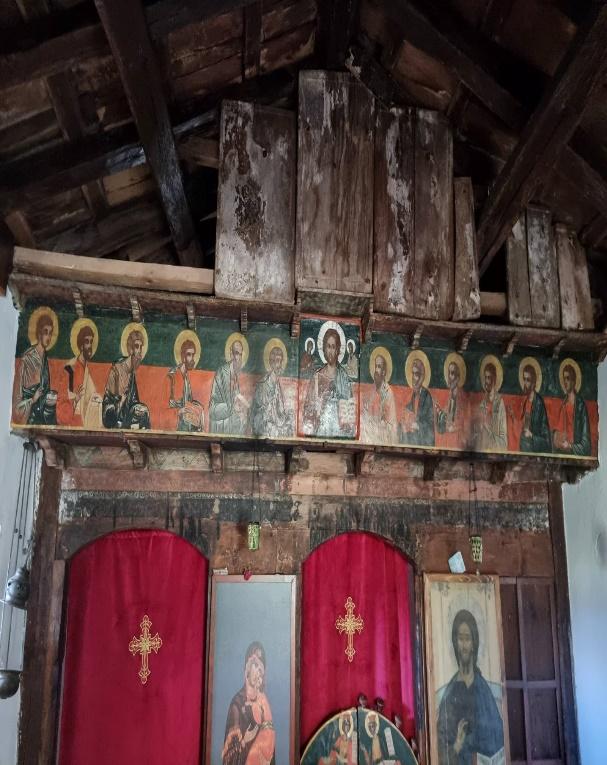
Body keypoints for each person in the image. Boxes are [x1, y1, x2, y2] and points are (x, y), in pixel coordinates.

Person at [436, 610, 504, 764]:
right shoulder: (449, 694)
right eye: (460, 639)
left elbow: (498, 739)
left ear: (474, 643)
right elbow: (440, 746)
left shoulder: (483, 690)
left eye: (467, 639)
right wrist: (457, 745)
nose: (464, 645)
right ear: (455, 643)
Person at [222, 642, 275, 765]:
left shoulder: (263, 705)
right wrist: (245, 741)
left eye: (261, 669)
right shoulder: (236, 705)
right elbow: (229, 759)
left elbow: (271, 754)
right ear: (247, 667)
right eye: (255, 665)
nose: (258, 672)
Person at [302, 328, 354, 437]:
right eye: (328, 346)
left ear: (338, 350)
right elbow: (308, 407)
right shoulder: (317, 377)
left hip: (340, 430)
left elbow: (350, 407)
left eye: (333, 347)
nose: (330, 351)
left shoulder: (344, 377)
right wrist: (318, 406)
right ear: (324, 349)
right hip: (321, 429)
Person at [102, 328, 150, 429]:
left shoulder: (132, 372)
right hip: (112, 414)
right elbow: (109, 402)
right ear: (130, 349)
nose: (139, 352)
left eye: (141, 347)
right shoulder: (117, 368)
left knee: (144, 411)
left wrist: (137, 408)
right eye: (136, 346)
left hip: (126, 413)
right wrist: (120, 402)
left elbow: (134, 401)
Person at [15, 312, 57, 425]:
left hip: (43, 412)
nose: (48, 337)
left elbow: (45, 389)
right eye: (45, 332)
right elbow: (18, 398)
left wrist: (50, 398)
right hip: (31, 415)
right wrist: (33, 399)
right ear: (39, 334)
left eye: (50, 333)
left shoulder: (45, 358)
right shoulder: (27, 358)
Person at [59, 324, 102, 428]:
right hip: (74, 421)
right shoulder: (70, 368)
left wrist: (96, 399)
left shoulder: (86, 369)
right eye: (87, 341)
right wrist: (76, 399)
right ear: (81, 345)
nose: (90, 345)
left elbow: (90, 395)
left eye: (91, 342)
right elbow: (65, 398)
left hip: (85, 419)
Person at [250, 345, 292, 437]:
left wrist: (285, 415)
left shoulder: (276, 381)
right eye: (277, 361)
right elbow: (263, 407)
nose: (279, 365)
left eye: (280, 361)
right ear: (271, 361)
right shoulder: (264, 382)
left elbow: (279, 407)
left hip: (274, 419)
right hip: (264, 421)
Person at [209, 339, 249, 434]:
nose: (238, 358)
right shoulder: (223, 372)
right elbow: (217, 406)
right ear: (231, 354)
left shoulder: (235, 374)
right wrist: (235, 408)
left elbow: (237, 398)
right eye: (236, 353)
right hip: (219, 415)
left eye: (240, 354)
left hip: (230, 415)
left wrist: (244, 408)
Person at [553, 363, 591, 456]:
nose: (565, 382)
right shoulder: (563, 405)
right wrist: (555, 436)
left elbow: (586, 444)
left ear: (574, 381)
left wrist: (570, 446)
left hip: (574, 452)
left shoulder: (580, 406)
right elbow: (559, 431)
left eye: (568, 378)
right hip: (563, 452)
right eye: (564, 379)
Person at [168, 338, 204, 432]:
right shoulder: (172, 375)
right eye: (189, 354)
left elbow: (188, 402)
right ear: (183, 356)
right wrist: (179, 411)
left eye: (193, 355)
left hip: (186, 424)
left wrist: (196, 407)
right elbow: (165, 407)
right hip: (175, 426)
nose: (192, 358)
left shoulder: (186, 377)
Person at [361, 352, 397, 443]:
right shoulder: (372, 390)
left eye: (379, 367)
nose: (376, 370)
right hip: (372, 434)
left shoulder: (388, 393)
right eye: (375, 366)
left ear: (384, 372)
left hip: (383, 435)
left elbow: (390, 422)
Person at [400, 358, 435, 446]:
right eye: (412, 373)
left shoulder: (426, 395)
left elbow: (430, 422)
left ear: (421, 377)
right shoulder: (414, 395)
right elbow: (411, 410)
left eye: (416, 374)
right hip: (414, 438)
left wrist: (417, 425)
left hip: (424, 440)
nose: (413, 377)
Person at [517, 363, 551, 453]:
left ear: (534, 382)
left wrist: (532, 436)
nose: (525, 383)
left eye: (528, 380)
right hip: (524, 446)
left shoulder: (539, 403)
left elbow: (546, 440)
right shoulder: (525, 402)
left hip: (534, 448)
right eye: (524, 379)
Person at [474, 363, 507, 451]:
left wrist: (488, 433)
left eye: (489, 377)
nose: (487, 381)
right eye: (485, 377)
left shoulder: (499, 403)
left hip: (494, 449)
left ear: (494, 379)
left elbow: (503, 442)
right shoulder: (482, 404)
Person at [436, 359, 468, 450]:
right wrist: (439, 410)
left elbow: (463, 419)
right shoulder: (451, 393)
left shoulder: (461, 395)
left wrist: (454, 427)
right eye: (449, 373)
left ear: (458, 376)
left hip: (459, 437)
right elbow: (448, 412)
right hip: (450, 434)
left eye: (452, 373)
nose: (450, 377)